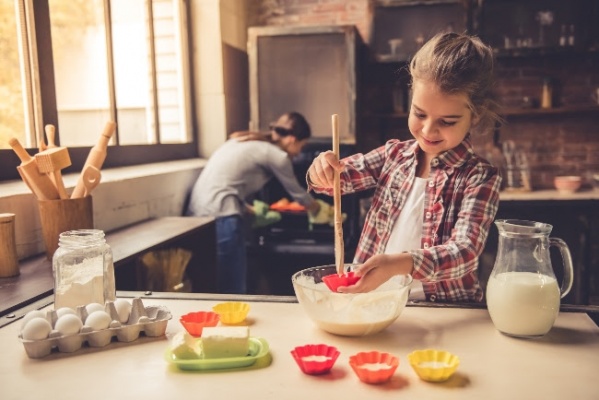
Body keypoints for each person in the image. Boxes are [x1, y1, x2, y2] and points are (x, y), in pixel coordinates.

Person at [307, 32, 502, 302]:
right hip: (376, 302)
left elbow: (465, 253)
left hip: (444, 312)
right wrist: (322, 170)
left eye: (447, 121)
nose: (428, 130)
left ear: (475, 115)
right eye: (420, 114)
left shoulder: (479, 176)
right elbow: (338, 179)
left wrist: (399, 264)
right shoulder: (394, 155)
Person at [186, 112, 330, 294]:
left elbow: (226, 183)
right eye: (301, 146)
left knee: (210, 281)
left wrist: (251, 209)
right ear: (292, 140)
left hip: (196, 213)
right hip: (223, 215)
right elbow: (299, 194)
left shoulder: (243, 141)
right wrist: (323, 210)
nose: (300, 152)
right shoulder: (277, 155)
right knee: (232, 285)